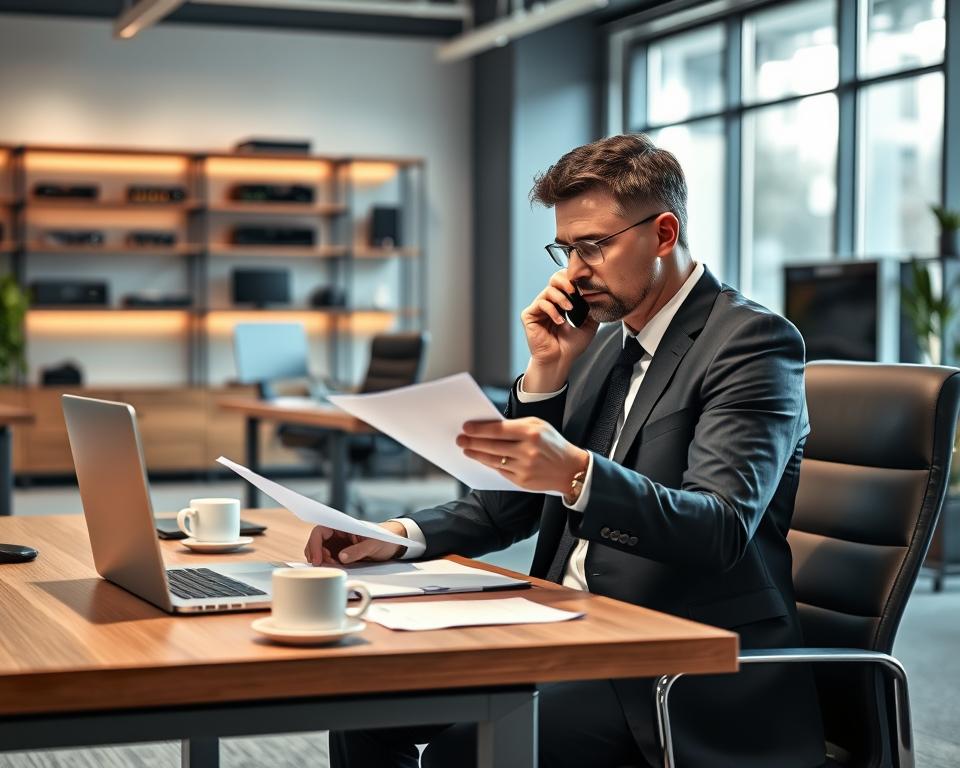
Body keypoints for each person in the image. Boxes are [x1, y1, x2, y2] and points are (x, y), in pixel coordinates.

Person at [306, 134, 825, 768]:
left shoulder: (752, 342)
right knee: (361, 701)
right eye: (566, 248)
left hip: (675, 656)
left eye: (594, 246)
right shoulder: (602, 344)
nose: (573, 271)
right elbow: (511, 510)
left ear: (664, 232)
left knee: (466, 755)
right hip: (565, 624)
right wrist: (396, 533)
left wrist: (577, 473)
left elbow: (718, 528)